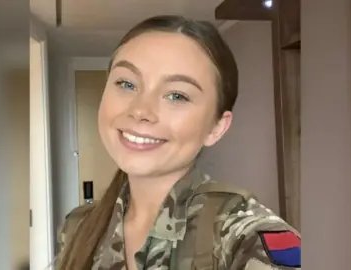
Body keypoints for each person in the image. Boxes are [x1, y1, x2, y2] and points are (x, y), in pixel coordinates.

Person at [55, 15, 301, 270]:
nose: (140, 110)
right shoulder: (79, 227)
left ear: (217, 127)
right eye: (126, 83)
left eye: (176, 95)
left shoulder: (243, 237)